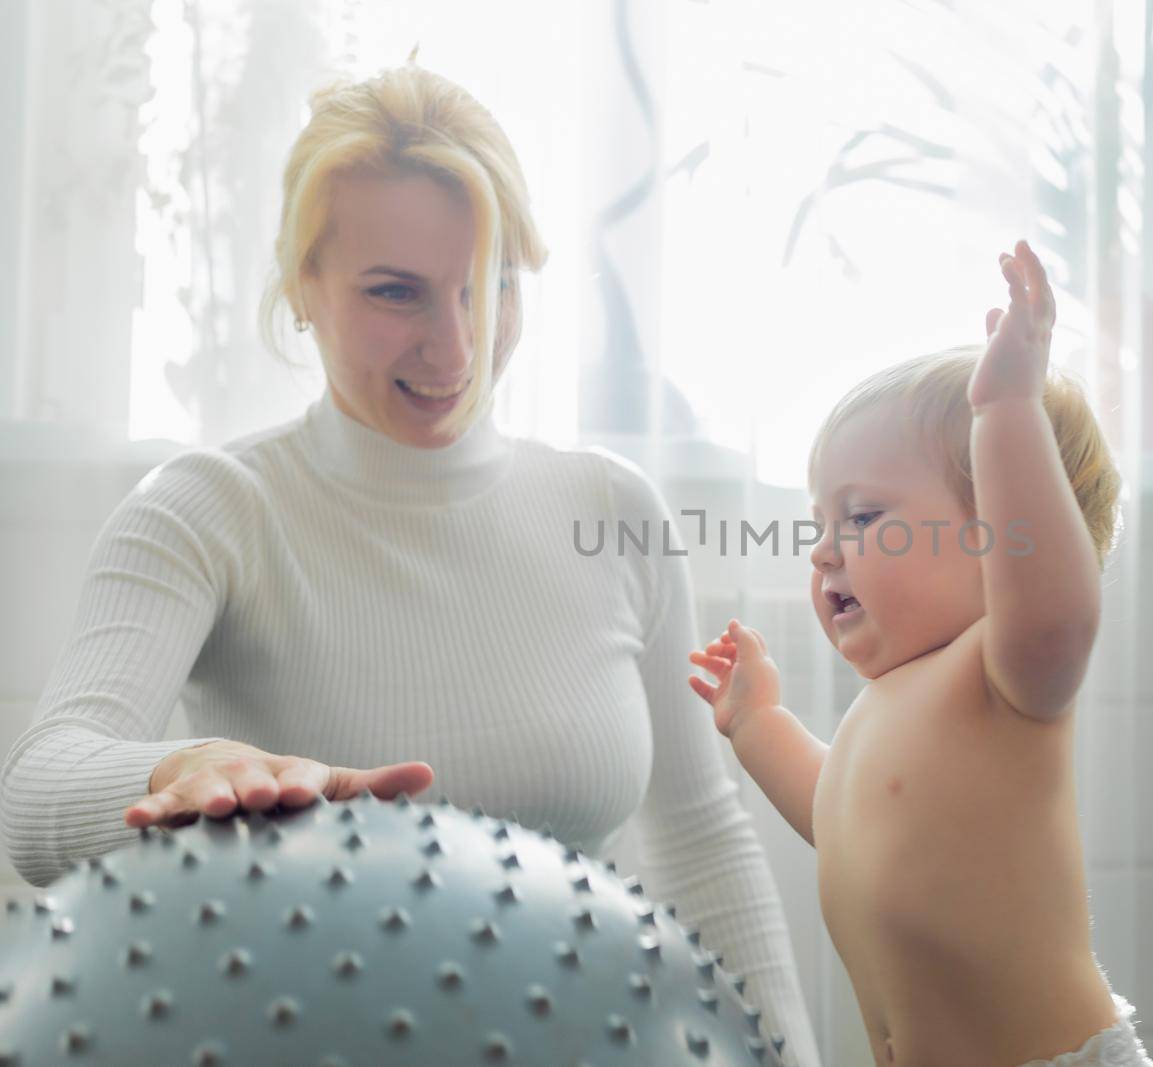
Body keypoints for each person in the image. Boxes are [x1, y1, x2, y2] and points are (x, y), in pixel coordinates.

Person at [0, 60, 820, 1066]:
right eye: (397, 293)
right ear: (302, 287)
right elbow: (40, 791)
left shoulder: (616, 511)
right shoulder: (210, 506)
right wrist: (183, 766)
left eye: (489, 289)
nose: (454, 348)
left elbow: (700, 834)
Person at [687, 241, 1153, 1066]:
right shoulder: (891, 705)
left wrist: (1006, 409)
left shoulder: (1009, 674)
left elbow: (1053, 601)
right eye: (820, 524)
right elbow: (841, 816)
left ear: (995, 536)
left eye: (861, 519)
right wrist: (758, 722)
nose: (824, 551)